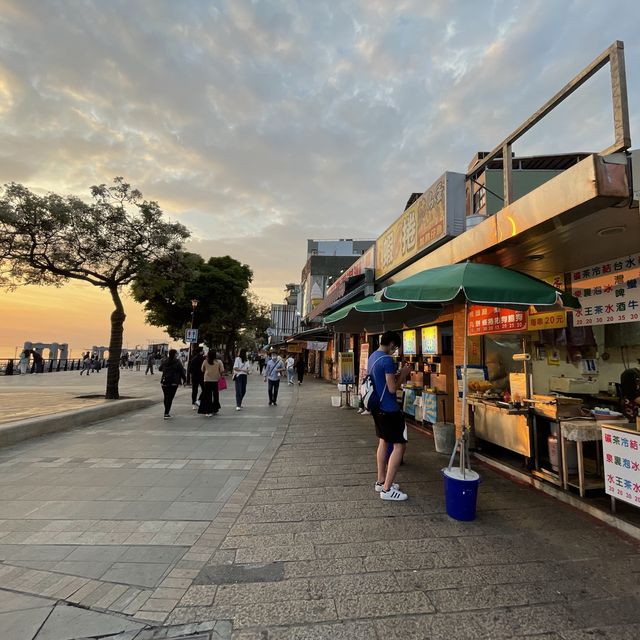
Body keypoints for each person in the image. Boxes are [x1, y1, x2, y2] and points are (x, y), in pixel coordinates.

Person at [367, 331, 412, 501]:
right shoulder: (386, 360)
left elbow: (381, 381)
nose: (395, 350)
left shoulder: (373, 357)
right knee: (399, 446)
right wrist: (404, 374)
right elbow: (392, 388)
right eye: (396, 347)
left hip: (377, 407)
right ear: (392, 343)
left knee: (383, 441)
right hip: (389, 408)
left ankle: (381, 481)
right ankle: (386, 490)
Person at [159, 349, 186, 419]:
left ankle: (166, 410)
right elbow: (182, 372)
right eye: (176, 353)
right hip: (173, 382)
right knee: (170, 398)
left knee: (166, 397)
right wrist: (185, 380)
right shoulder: (177, 362)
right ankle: (166, 413)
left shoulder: (165, 361)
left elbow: (160, 368)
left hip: (164, 381)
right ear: (174, 354)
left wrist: (166, 370)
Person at [199, 350, 224, 416]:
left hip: (207, 380)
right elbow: (222, 370)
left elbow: (202, 370)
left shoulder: (205, 361)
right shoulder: (219, 362)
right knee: (215, 395)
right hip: (216, 380)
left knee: (207, 396)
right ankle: (215, 409)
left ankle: (207, 411)